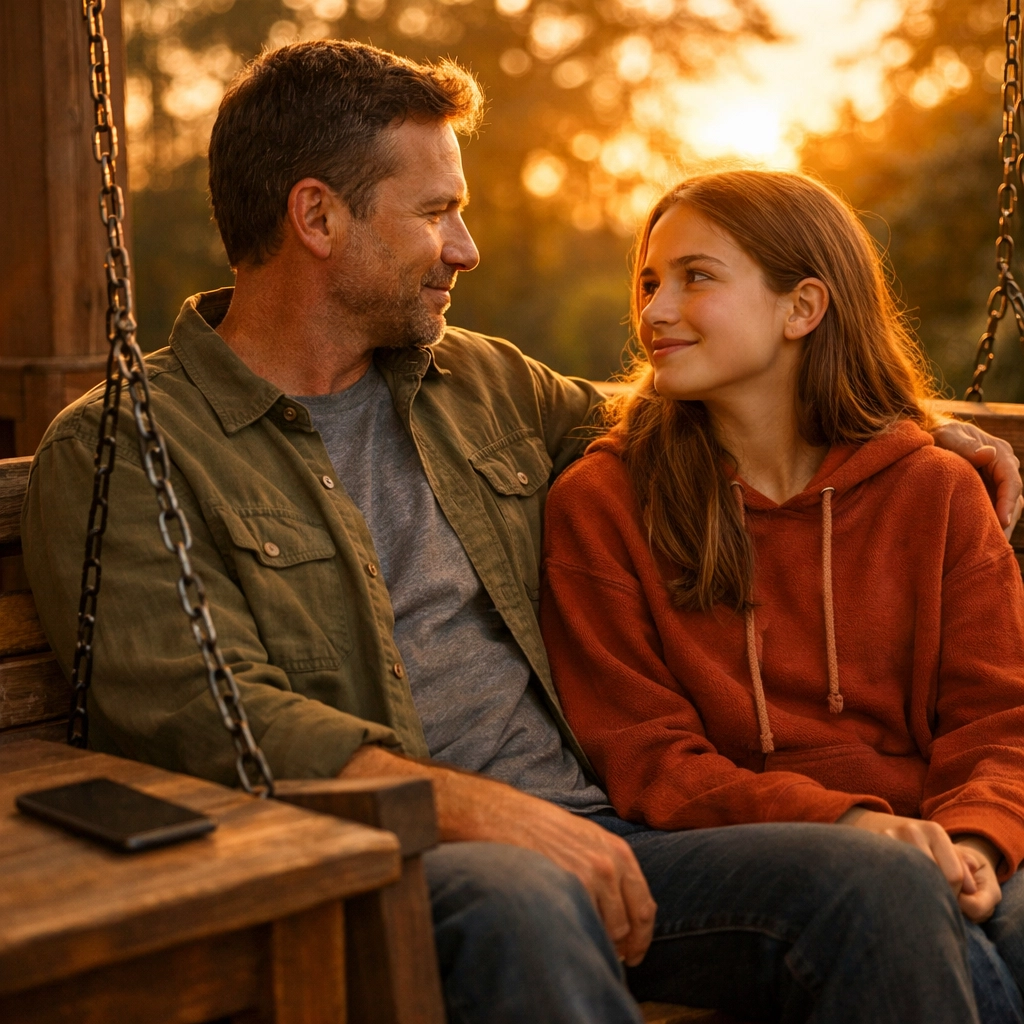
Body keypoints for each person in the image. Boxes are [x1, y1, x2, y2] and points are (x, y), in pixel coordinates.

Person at [21, 42, 1022, 1024]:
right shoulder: (129, 448)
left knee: (876, 880)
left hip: (616, 837)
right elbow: (211, 714)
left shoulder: (484, 383)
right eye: (437, 212)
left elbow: (703, 401)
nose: (466, 249)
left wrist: (897, 422)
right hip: (389, 859)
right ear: (317, 216)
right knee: (522, 901)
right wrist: (490, 813)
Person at [540, 169, 1024, 1023]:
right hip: (745, 855)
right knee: (905, 915)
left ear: (803, 308)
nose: (653, 312)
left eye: (696, 277)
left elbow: (999, 719)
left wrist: (979, 838)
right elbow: (649, 757)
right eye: (649, 282)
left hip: (944, 831)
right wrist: (849, 823)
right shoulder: (604, 504)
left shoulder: (935, 491)